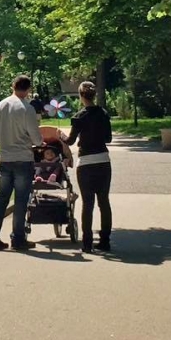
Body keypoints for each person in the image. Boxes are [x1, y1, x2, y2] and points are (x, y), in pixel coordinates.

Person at [0, 75, 43, 251]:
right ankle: (18, 237)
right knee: (21, 200)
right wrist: (36, 142)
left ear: (13, 86)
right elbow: (36, 138)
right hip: (23, 158)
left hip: (5, 157)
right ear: (28, 89)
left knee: (2, 197)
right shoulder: (27, 108)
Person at [65, 80, 113, 253]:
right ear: (94, 95)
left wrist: (60, 136)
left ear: (80, 96)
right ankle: (105, 240)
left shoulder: (79, 116)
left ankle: (87, 243)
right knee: (104, 202)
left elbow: (70, 141)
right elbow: (108, 139)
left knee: (88, 203)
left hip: (85, 162)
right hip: (103, 160)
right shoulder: (103, 114)